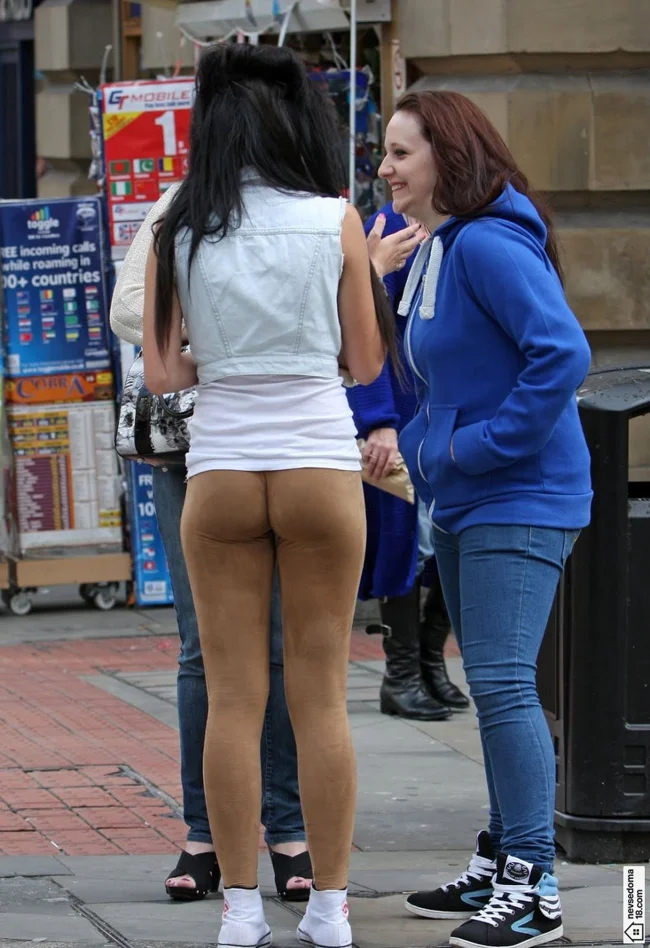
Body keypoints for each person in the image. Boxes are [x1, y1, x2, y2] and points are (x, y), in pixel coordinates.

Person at [142, 43, 397, 948]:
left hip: (221, 468)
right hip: (318, 461)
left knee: (233, 696)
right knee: (320, 695)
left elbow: (163, 372)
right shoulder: (335, 220)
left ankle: (241, 909)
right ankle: (327, 909)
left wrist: (224, 358)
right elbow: (365, 361)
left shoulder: (179, 227)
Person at [378, 91, 592, 948]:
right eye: (386, 152)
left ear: (449, 155)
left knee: (502, 685)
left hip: (520, 496)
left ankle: (533, 888)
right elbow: (437, 377)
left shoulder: (490, 244)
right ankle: (505, 856)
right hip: (470, 497)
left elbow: (563, 353)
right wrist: (431, 451)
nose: (385, 169)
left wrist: (474, 448)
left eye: (401, 153)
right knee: (496, 686)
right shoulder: (443, 245)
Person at [112, 171, 313, 907]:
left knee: (281, 644)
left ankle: (287, 830)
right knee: (202, 646)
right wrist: (221, 335)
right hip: (191, 448)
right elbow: (128, 307)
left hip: (286, 444)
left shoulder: (310, 208)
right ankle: (204, 834)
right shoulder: (182, 201)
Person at [351, 206, 469, 720]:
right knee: (403, 546)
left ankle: (428, 662)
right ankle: (401, 676)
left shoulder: (471, 229)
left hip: (452, 417)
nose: (386, 170)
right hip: (399, 417)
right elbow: (365, 330)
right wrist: (378, 418)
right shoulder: (389, 227)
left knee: (449, 541)